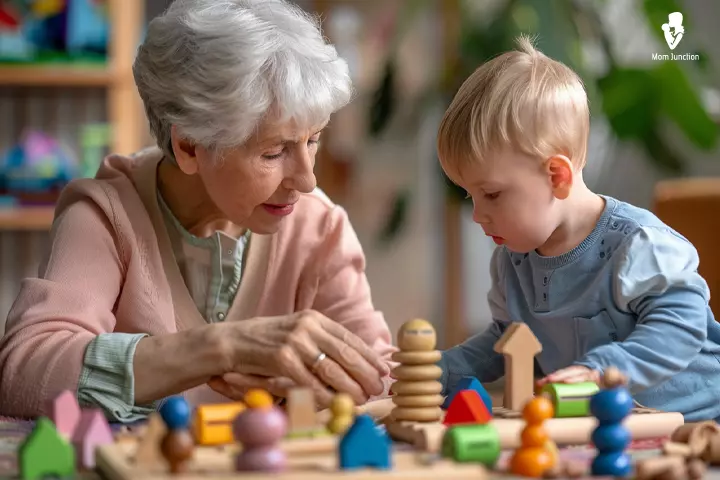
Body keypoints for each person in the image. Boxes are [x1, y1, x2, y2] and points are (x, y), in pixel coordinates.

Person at [0, 0, 394, 423]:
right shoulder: (106, 215)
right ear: (189, 145)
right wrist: (218, 348)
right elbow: (24, 374)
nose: (307, 180)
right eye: (275, 151)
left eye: (313, 139)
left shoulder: (319, 226)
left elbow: (380, 382)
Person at [435, 36, 720, 422]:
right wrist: (441, 371)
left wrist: (602, 369)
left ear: (556, 175)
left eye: (491, 194)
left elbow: (682, 327)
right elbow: (510, 345)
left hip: (701, 423)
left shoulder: (638, 245)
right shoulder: (512, 263)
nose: (477, 215)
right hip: (616, 434)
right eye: (471, 197)